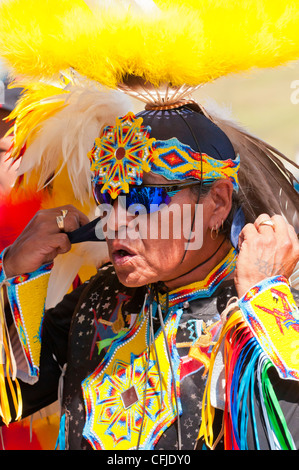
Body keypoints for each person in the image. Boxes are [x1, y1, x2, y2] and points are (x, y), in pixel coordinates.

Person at [0, 0, 299, 451]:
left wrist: (263, 304)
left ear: (216, 203)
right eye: (108, 199)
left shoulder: (265, 308)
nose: (118, 222)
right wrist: (14, 275)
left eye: (146, 198)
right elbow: (13, 394)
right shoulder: (98, 304)